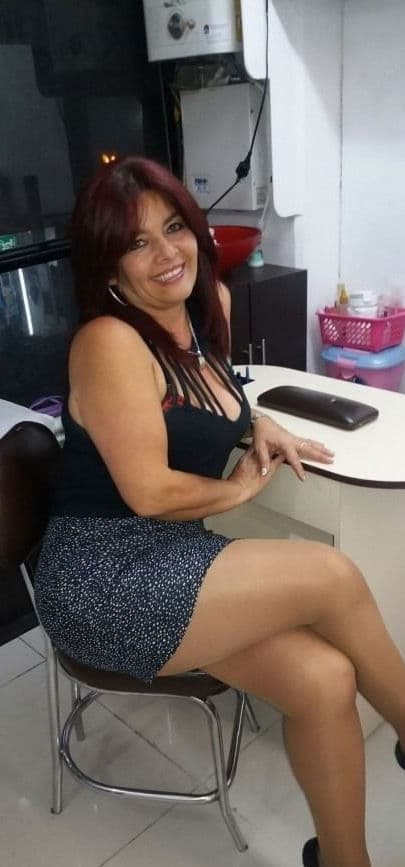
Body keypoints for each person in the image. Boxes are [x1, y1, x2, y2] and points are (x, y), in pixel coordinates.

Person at [35, 155, 405, 867]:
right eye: (136, 242)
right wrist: (239, 490)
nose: (166, 252)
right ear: (108, 265)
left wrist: (255, 421)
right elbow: (149, 492)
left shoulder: (205, 313)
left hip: (173, 553)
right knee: (330, 574)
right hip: (100, 575)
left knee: (326, 679)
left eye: (173, 227)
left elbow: (215, 393)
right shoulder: (109, 342)